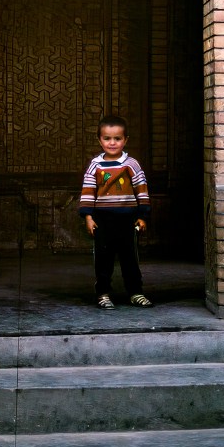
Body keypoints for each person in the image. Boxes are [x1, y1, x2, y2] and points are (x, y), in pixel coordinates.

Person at [79, 114, 153, 308]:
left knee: (130, 259)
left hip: (127, 220)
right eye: (107, 138)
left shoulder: (131, 164)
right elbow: (88, 191)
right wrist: (88, 217)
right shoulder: (95, 166)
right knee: (104, 260)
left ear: (125, 140)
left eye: (117, 138)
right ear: (99, 140)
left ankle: (136, 292)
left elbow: (141, 189)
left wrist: (142, 216)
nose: (112, 143)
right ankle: (103, 293)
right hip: (102, 220)